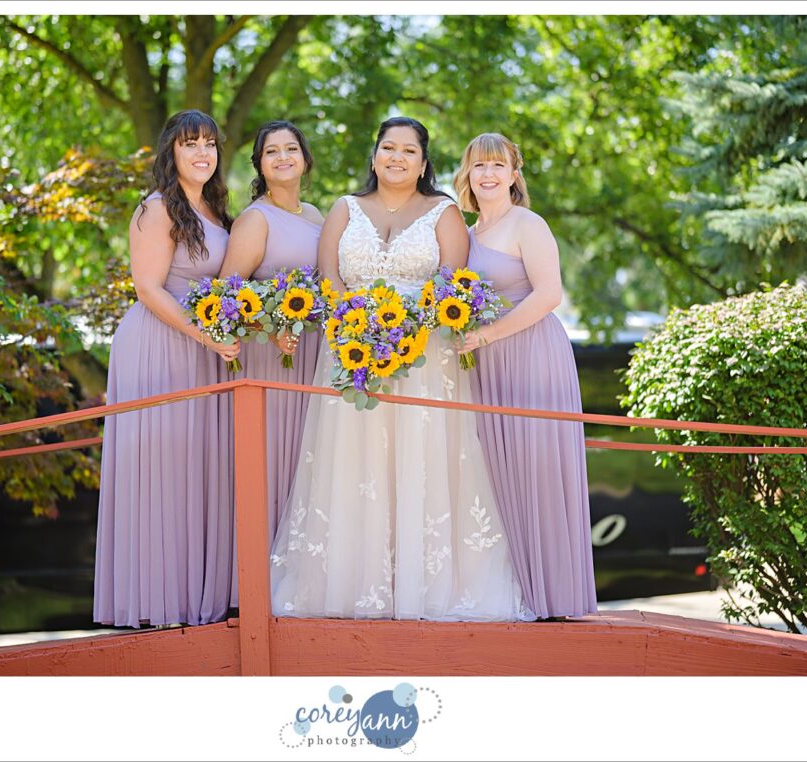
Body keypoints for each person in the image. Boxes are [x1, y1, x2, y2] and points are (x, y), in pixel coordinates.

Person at [269, 117, 522, 621]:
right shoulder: (344, 209)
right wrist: (355, 326)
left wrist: (406, 330)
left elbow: (453, 284)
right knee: (354, 465)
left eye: (409, 150)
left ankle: (424, 587)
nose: (397, 157)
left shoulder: (443, 213)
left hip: (425, 360)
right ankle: (350, 585)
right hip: (350, 355)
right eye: (388, 147)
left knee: (418, 463)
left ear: (424, 163)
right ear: (374, 155)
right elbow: (329, 277)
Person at [94, 110, 239, 628]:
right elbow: (148, 287)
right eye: (190, 144)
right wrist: (205, 335)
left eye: (210, 144)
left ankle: (197, 598)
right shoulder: (156, 208)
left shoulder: (218, 211)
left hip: (204, 349)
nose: (202, 153)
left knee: (199, 468)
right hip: (160, 344)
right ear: (170, 152)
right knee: (163, 469)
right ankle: (156, 604)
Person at [454, 132, 597, 619]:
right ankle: (516, 594)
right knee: (497, 474)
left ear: (515, 174)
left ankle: (556, 598)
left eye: (498, 165)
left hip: (532, 354)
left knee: (537, 471)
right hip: (485, 363)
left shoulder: (527, 223)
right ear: (467, 176)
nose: (488, 174)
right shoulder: (467, 234)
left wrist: (488, 335)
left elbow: (548, 294)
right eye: (479, 166)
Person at [219, 120, 323, 546]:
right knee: (271, 461)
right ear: (260, 165)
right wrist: (272, 327)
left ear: (304, 159)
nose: (283, 157)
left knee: (306, 461)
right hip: (270, 356)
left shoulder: (316, 215)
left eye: (291, 149)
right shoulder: (255, 220)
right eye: (272, 151)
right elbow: (224, 297)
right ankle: (258, 574)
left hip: (311, 354)